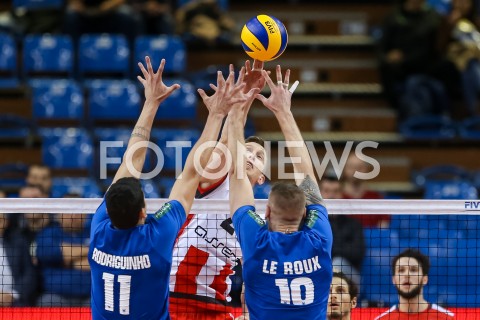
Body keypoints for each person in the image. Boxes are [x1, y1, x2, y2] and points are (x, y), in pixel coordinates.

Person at [88, 57, 251, 319]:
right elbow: (191, 174)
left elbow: (131, 164)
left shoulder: (98, 230)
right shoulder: (157, 237)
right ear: (144, 212)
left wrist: (150, 103)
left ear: (107, 208)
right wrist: (217, 114)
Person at [228, 65, 333, 319]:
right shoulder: (320, 238)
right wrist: (284, 112)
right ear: (306, 213)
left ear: (266, 210)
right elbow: (307, 176)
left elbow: (237, 174)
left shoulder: (256, 240)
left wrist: (236, 108)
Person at [169, 60, 266, 320]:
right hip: (173, 296)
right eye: (248, 150)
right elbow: (227, 140)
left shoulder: (263, 217)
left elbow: (255, 271)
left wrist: (250, 312)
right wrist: (246, 94)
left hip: (216, 304)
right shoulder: (219, 180)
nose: (251, 156)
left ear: (261, 179)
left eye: (259, 156)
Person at [35, 193, 91, 307]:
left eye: (78, 211)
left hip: (90, 297)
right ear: (58, 213)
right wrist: (90, 249)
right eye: (68, 210)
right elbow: (48, 254)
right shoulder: (47, 233)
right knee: (46, 302)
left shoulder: (95, 233)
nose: (73, 216)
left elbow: (104, 259)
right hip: (56, 297)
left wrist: (66, 259)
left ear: (86, 214)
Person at [374, 248, 454, 319]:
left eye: (413, 270)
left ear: (424, 279)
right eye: (401, 270)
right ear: (394, 280)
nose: (407, 274)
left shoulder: (446, 318)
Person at [322, 172, 365, 290]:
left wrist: (326, 248)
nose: (331, 195)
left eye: (335, 191)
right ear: (320, 194)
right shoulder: (312, 224)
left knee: (337, 262)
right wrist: (340, 248)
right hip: (320, 273)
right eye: (326, 191)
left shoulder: (354, 225)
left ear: (342, 194)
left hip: (351, 279)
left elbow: (357, 253)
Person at [342, 153, 389, 228]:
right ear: (344, 170)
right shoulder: (337, 197)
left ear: (366, 170)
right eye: (351, 167)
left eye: (359, 167)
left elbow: (383, 226)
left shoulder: (376, 198)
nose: (355, 171)